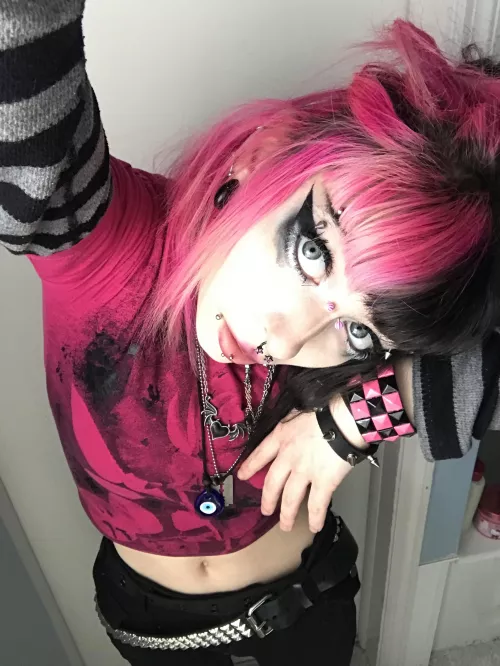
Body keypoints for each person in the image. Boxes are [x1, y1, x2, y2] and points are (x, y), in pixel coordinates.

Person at [2, 2, 500, 665]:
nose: (286, 343)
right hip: (151, 623)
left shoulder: (376, 319)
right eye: (311, 253)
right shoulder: (104, 248)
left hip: (308, 599)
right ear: (262, 154)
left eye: (357, 333)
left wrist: (351, 422)